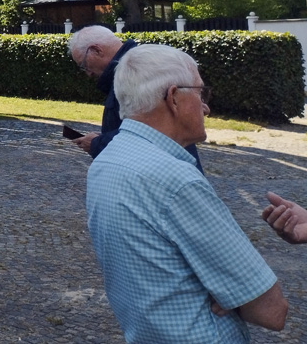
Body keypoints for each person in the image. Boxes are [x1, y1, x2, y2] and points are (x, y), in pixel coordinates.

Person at [86, 44, 287, 341]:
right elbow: (271, 311)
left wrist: (225, 288)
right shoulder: (176, 180)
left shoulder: (108, 160)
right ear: (174, 99)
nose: (205, 106)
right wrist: (234, 293)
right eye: (200, 93)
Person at [69, 26, 203, 170]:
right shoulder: (134, 67)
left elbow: (154, 130)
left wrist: (97, 143)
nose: (87, 73)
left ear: (97, 50)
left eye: (84, 65)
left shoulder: (137, 71)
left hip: (165, 173)